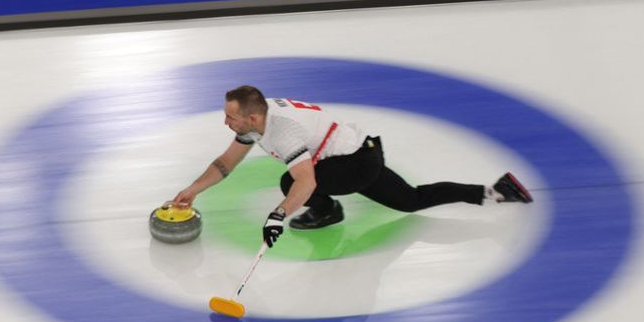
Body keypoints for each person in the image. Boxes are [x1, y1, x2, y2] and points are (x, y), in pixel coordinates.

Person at [168, 85, 533, 248]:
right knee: (411, 200)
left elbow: (306, 182)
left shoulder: (282, 131)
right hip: (363, 150)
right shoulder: (258, 121)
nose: (226, 123)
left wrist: (277, 217)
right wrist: (192, 191)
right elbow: (225, 164)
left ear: (251, 116)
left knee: (289, 182)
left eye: (230, 118)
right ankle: (496, 192)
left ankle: (329, 212)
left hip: (356, 164)